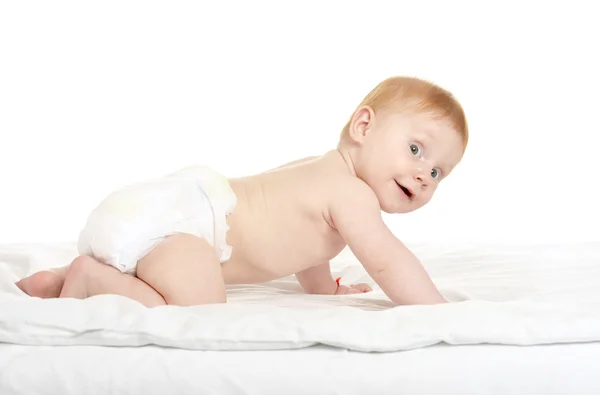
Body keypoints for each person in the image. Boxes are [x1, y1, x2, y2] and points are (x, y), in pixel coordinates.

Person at [16, 76, 468, 307]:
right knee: (200, 305)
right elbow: (388, 262)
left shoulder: (321, 174)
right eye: (415, 149)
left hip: (171, 212)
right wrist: (437, 308)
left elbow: (309, 249)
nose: (425, 174)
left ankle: (58, 280)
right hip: (189, 231)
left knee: (160, 269)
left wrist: (324, 290)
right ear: (364, 126)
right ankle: (94, 279)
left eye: (439, 172)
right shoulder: (352, 196)